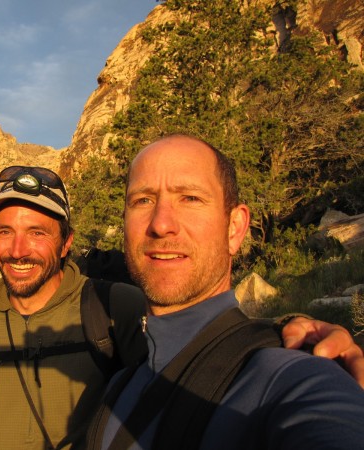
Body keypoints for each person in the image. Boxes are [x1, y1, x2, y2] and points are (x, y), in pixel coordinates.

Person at [0, 165, 364, 450]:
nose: (17, 250)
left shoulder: (110, 305)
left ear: (66, 244)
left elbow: (195, 342)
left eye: (36, 233)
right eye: (4, 231)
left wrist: (287, 333)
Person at [87, 134, 364, 449]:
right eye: (142, 200)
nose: (161, 224)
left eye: (190, 198)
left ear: (234, 228)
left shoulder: (291, 375)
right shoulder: (118, 388)